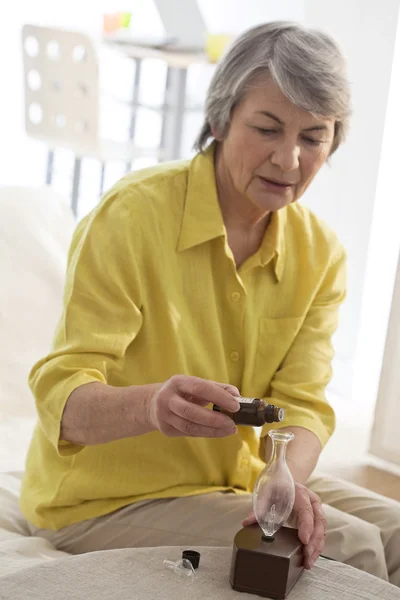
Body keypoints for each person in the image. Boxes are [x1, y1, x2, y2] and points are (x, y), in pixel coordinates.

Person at [21, 21, 400, 585]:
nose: (289, 161)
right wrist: (152, 406)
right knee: (354, 548)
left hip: (239, 477)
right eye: (268, 129)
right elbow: (61, 394)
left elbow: (301, 404)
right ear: (221, 120)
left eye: (313, 138)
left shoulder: (319, 253)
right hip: (104, 499)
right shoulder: (130, 217)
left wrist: (284, 480)